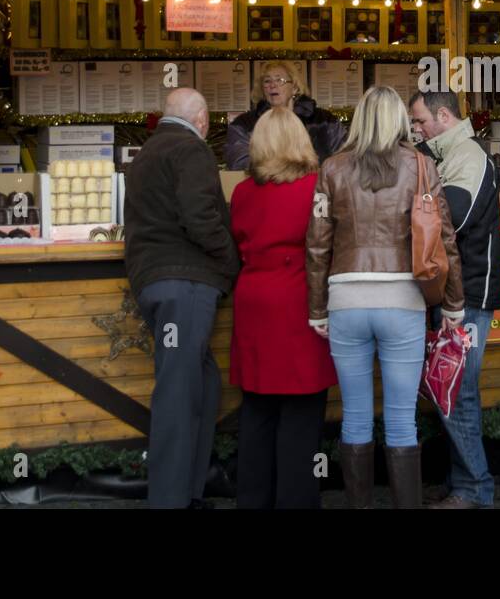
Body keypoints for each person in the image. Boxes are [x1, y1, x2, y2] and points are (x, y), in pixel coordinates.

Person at [306, 85, 465, 509]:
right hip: (402, 302)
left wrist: (317, 309)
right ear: (399, 120)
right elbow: (443, 239)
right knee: (400, 420)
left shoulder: (332, 169)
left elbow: (317, 245)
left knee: (355, 417)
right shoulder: (421, 166)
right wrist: (453, 303)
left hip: (346, 303)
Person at [124, 87, 239, 509]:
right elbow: (200, 217)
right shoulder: (191, 151)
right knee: (177, 391)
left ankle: (189, 491)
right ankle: (170, 501)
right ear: (203, 121)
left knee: (203, 383)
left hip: (155, 283)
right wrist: (230, 260)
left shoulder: (145, 155)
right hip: (184, 286)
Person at [229, 106, 337, 509]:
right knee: (301, 415)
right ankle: (297, 501)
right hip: (298, 301)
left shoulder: (242, 192)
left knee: (256, 409)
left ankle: (252, 501)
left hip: (254, 298)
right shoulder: (315, 189)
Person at [409, 89, 500, 509]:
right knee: (451, 391)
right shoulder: (445, 154)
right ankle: (461, 482)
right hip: (455, 293)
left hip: (469, 295)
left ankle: (473, 490)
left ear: (443, 115)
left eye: (420, 121)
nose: (416, 129)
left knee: (458, 391)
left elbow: (455, 218)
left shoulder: (467, 154)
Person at [225, 62, 345, 169]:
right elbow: (238, 162)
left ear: (295, 88)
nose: (272, 85)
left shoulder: (324, 120)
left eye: (279, 80)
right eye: (267, 81)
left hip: (315, 188)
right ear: (262, 89)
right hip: (266, 189)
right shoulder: (244, 124)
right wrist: (283, 172)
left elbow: (343, 157)